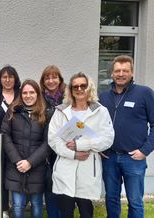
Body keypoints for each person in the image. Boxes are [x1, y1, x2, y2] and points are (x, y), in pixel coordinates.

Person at [99, 55, 154, 218]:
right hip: (109, 157)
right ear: (111, 74)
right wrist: (98, 148)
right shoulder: (103, 97)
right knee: (111, 199)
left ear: (132, 73)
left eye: (125, 70)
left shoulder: (145, 93)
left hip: (134, 158)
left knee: (135, 201)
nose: (120, 74)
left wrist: (145, 151)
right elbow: (95, 125)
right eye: (117, 70)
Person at [48, 72, 114, 218]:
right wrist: (73, 153)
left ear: (89, 88)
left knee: (86, 212)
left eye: (83, 85)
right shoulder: (61, 111)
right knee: (66, 212)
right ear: (70, 90)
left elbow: (107, 139)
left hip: (88, 169)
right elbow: (53, 140)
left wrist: (80, 145)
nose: (79, 89)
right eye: (75, 86)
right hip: (65, 168)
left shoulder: (100, 111)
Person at [1, 79, 51, 218]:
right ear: (21, 94)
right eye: (25, 92)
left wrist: (30, 162)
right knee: (17, 205)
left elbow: (48, 143)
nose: (28, 95)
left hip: (37, 167)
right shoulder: (12, 112)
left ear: (38, 94)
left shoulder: (45, 114)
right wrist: (18, 161)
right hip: (15, 167)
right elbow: (5, 136)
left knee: (36, 204)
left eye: (32, 92)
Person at [0, 65, 21, 218]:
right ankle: (4, 209)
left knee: (18, 175)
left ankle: (19, 208)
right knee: (1, 177)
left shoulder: (22, 95)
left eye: (10, 77)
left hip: (18, 143)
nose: (7, 80)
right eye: (4, 77)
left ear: (15, 79)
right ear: (0, 79)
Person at [39, 65, 66, 218]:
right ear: (43, 81)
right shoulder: (39, 98)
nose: (51, 81)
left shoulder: (69, 97)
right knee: (49, 187)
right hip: (47, 150)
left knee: (64, 188)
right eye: (47, 78)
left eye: (54, 77)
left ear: (60, 79)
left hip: (65, 148)